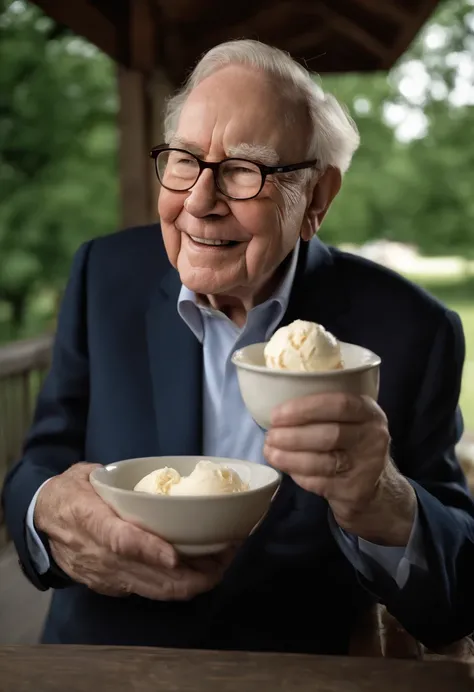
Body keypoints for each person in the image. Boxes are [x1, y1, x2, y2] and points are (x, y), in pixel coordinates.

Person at [3, 39, 474, 652]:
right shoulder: (105, 276)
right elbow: (39, 462)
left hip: (300, 677)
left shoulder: (413, 330)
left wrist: (385, 501)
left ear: (318, 199)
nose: (199, 202)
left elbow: (458, 597)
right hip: (104, 661)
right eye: (183, 160)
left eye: (242, 171)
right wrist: (46, 512)